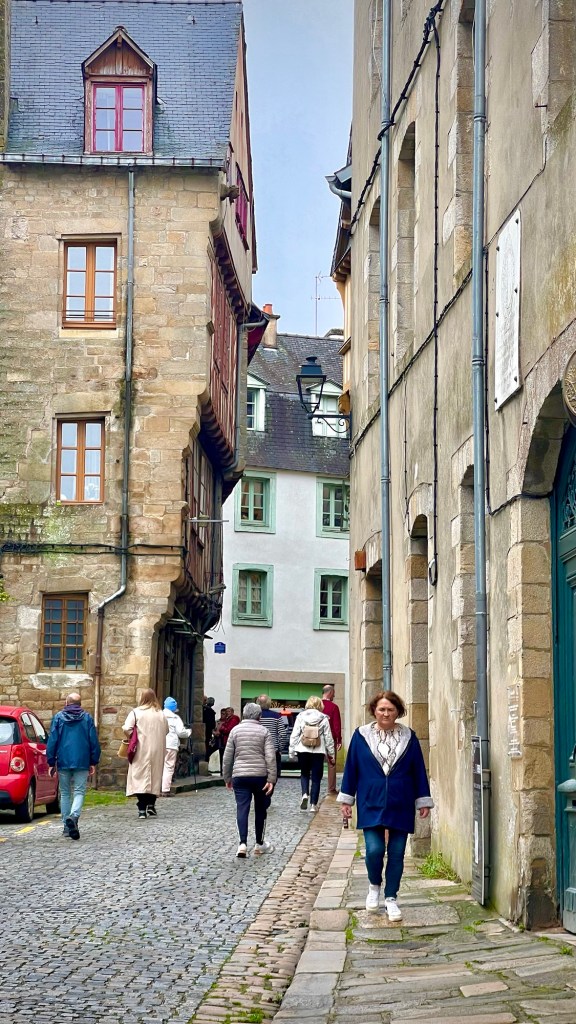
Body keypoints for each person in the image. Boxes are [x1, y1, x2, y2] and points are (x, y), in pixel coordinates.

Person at [338, 690, 433, 921]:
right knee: (374, 849)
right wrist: (347, 800)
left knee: (397, 853)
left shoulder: (409, 737)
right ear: (374, 711)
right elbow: (351, 769)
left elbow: (418, 770)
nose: (386, 713)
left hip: (401, 800)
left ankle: (391, 898)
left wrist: (423, 799)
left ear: (398, 712)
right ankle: (374, 887)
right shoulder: (361, 736)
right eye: (382, 709)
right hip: (370, 800)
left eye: (391, 709)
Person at [222, 702, 277, 858]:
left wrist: (227, 777)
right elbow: (270, 757)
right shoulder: (264, 731)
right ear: (259, 716)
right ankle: (259, 843)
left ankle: (242, 844)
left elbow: (227, 757)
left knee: (242, 808)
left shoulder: (235, 731)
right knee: (260, 809)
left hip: (240, 775)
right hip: (260, 775)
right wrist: (271, 779)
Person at [46, 692, 101, 840]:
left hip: (63, 760)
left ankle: (66, 826)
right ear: (80, 704)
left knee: (65, 793)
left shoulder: (58, 718)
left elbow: (52, 740)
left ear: (67, 702)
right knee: (79, 791)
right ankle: (74, 816)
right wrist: (93, 761)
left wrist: (51, 762)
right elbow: (93, 740)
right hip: (82, 760)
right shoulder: (87, 718)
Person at [122, 689, 168, 819]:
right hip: (157, 749)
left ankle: (142, 807)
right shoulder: (161, 714)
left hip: (141, 748)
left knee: (139, 777)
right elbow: (166, 730)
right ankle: (151, 804)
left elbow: (127, 728)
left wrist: (133, 735)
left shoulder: (136, 712)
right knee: (154, 776)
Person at [289, 696, 335, 813]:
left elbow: (295, 734)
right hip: (318, 751)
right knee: (316, 778)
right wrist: (331, 754)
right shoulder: (323, 718)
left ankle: (305, 794)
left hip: (303, 749)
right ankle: (313, 805)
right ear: (320, 705)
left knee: (304, 773)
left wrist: (292, 751)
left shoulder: (300, 716)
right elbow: (328, 738)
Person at [161, 697, 191, 796]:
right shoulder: (175, 718)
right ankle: (165, 789)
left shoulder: (159, 715)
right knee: (169, 767)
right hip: (171, 744)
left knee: (158, 766)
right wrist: (188, 732)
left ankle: (156, 788)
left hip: (160, 744)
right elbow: (181, 732)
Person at [256, 694, 288, 779]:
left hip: (257, 748)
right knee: (273, 774)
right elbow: (282, 734)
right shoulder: (276, 716)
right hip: (273, 749)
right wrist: (280, 748)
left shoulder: (255, 716)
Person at [321, 684, 342, 794]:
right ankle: (331, 788)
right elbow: (336, 725)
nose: (334, 695)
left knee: (317, 762)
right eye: (333, 693)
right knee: (331, 764)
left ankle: (315, 787)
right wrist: (339, 740)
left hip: (316, 738)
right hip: (330, 738)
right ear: (330, 693)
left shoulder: (316, 706)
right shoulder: (333, 707)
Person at [214, 706, 240, 774]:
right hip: (224, 740)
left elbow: (228, 729)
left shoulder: (233, 719)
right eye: (227, 712)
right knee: (224, 756)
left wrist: (222, 728)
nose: (227, 713)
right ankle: (224, 771)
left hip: (229, 740)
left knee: (228, 757)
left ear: (232, 712)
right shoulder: (227, 719)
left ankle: (228, 772)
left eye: (229, 711)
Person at [202, 695, 216, 761]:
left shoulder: (207, 710)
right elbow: (212, 724)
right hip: (207, 730)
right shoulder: (209, 710)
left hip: (207, 730)